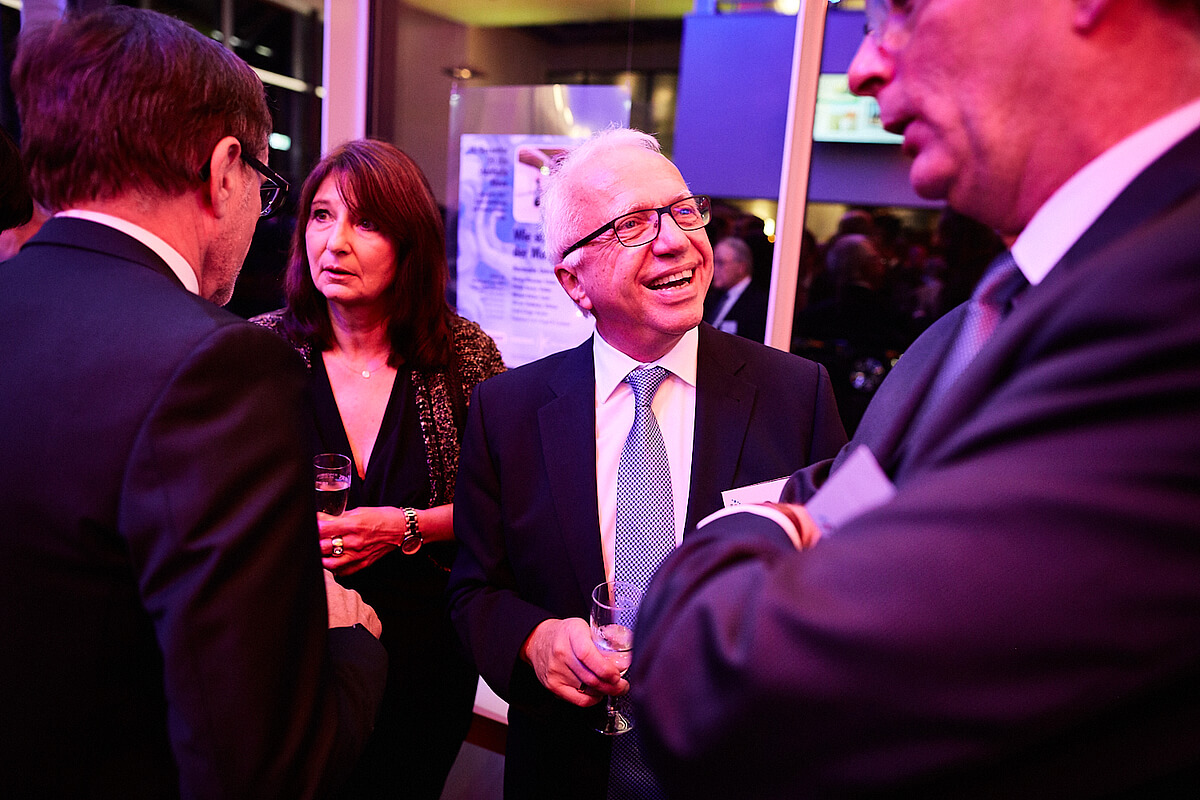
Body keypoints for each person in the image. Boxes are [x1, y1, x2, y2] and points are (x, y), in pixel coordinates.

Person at [631, 0, 1200, 796]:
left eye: (900, 8)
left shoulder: (1168, 303)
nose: (864, 65)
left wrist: (757, 526)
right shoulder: (970, 327)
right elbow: (848, 482)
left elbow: (720, 685)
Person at [0, 8, 388, 798]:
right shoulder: (219, 364)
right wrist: (349, 643)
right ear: (224, 169)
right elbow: (263, 767)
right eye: (268, 191)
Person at [447, 127, 847, 799]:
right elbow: (474, 591)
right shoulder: (507, 410)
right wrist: (535, 640)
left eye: (683, 210)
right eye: (632, 224)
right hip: (565, 770)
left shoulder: (796, 394)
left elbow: (844, 575)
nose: (676, 240)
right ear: (574, 281)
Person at [252, 139, 505, 799]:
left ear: (410, 244)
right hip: (288, 642)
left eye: (365, 222)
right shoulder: (255, 351)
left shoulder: (464, 357)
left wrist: (404, 526)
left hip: (426, 656)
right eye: (321, 215)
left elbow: (507, 505)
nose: (334, 242)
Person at [702, 235, 769, 342]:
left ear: (741, 268)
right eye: (713, 262)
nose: (714, 269)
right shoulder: (712, 298)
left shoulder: (759, 304)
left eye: (720, 262)